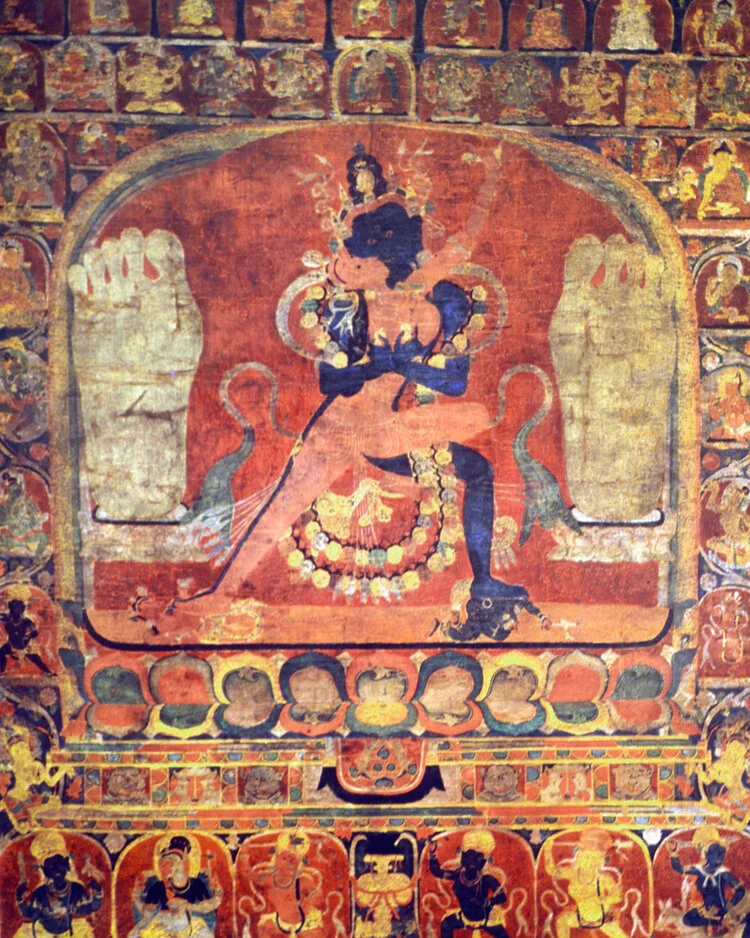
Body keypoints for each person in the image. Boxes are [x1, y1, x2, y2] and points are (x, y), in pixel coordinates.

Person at [171, 143, 536, 636]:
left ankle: (484, 581)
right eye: (348, 257)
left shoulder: (427, 300)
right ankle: (221, 594)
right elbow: (331, 380)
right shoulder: (350, 309)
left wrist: (490, 179)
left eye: (356, 258)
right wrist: (377, 364)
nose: (344, 264)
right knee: (283, 505)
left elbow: (455, 364)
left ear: (383, 262)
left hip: (386, 430)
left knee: (478, 468)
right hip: (340, 428)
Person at [130, 835, 222, 938]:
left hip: (186, 926)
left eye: (179, 862)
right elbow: (147, 912)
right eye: (172, 862)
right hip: (162, 926)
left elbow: (207, 907)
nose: (176, 866)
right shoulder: (159, 886)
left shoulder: (196, 884)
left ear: (187, 862)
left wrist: (187, 906)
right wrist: (136, 895)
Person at [15, 832, 103, 938]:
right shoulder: (40, 893)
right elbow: (28, 912)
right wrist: (20, 898)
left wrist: (97, 892)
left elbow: (91, 906)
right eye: (50, 866)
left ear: (67, 865)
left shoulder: (75, 889)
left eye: (59, 863)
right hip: (42, 932)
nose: (57, 870)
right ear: (44, 870)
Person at [428, 831, 508, 938]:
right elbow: (437, 871)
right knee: (446, 924)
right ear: (463, 859)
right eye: (468, 858)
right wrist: (432, 853)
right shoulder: (458, 876)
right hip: (464, 917)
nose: (471, 864)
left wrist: (488, 902)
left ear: (482, 863)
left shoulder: (487, 879)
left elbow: (502, 897)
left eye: (475, 860)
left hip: (485, 919)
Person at [668, 839, 750, 936]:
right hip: (706, 910)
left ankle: (722, 922)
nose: (720, 859)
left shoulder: (723, 874)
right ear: (707, 855)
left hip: (722, 910)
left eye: (721, 855)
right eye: (716, 854)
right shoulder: (699, 870)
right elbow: (678, 868)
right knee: (687, 919)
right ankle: (718, 922)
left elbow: (740, 890)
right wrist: (673, 852)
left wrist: (728, 906)